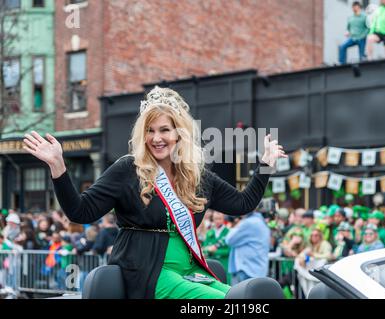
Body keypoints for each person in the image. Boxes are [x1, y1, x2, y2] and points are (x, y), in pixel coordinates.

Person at [23, 86, 286, 299]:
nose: (156, 138)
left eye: (164, 130)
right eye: (150, 130)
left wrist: (265, 166)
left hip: (189, 270)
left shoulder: (196, 175)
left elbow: (243, 203)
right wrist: (58, 166)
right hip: (147, 271)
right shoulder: (128, 169)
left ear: (179, 134)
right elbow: (80, 211)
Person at [225, 211, 271, 285]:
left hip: (247, 271)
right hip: (256, 271)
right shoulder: (260, 221)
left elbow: (229, 240)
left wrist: (234, 225)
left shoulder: (249, 222)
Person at [202, 210, 231, 284]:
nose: (217, 221)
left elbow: (229, 251)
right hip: (212, 265)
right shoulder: (210, 232)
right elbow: (204, 248)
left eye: (219, 218)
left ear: (223, 218)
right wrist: (208, 250)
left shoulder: (228, 232)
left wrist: (215, 251)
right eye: (215, 219)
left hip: (224, 264)